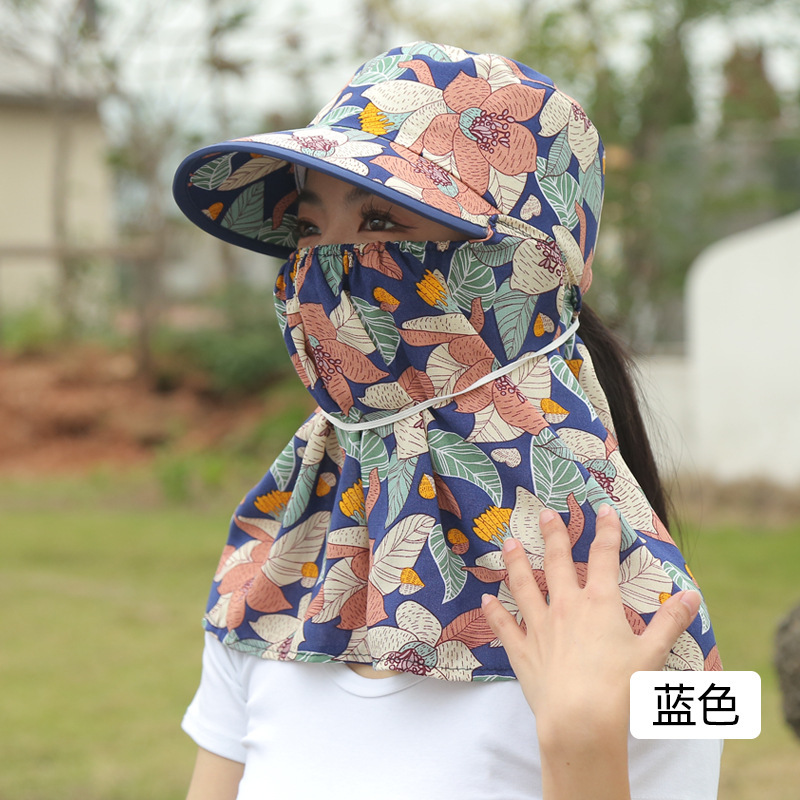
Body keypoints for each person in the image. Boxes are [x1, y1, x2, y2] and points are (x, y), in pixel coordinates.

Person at [172, 41, 723, 799]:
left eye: (380, 222)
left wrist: (584, 746)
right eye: (308, 227)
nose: (326, 270)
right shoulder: (276, 573)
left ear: (529, 269)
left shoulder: (647, 614)